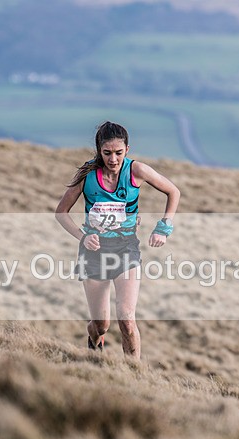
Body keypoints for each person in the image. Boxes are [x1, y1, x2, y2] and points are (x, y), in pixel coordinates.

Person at [55, 121, 180, 360]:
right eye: (107, 153)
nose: (113, 159)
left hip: (126, 249)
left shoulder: (137, 171)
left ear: (127, 149)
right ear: (99, 150)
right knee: (101, 325)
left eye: (119, 153)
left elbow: (173, 191)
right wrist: (84, 237)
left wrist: (164, 228)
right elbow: (61, 212)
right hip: (94, 253)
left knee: (127, 319)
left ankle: (134, 374)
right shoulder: (87, 174)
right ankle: (93, 340)